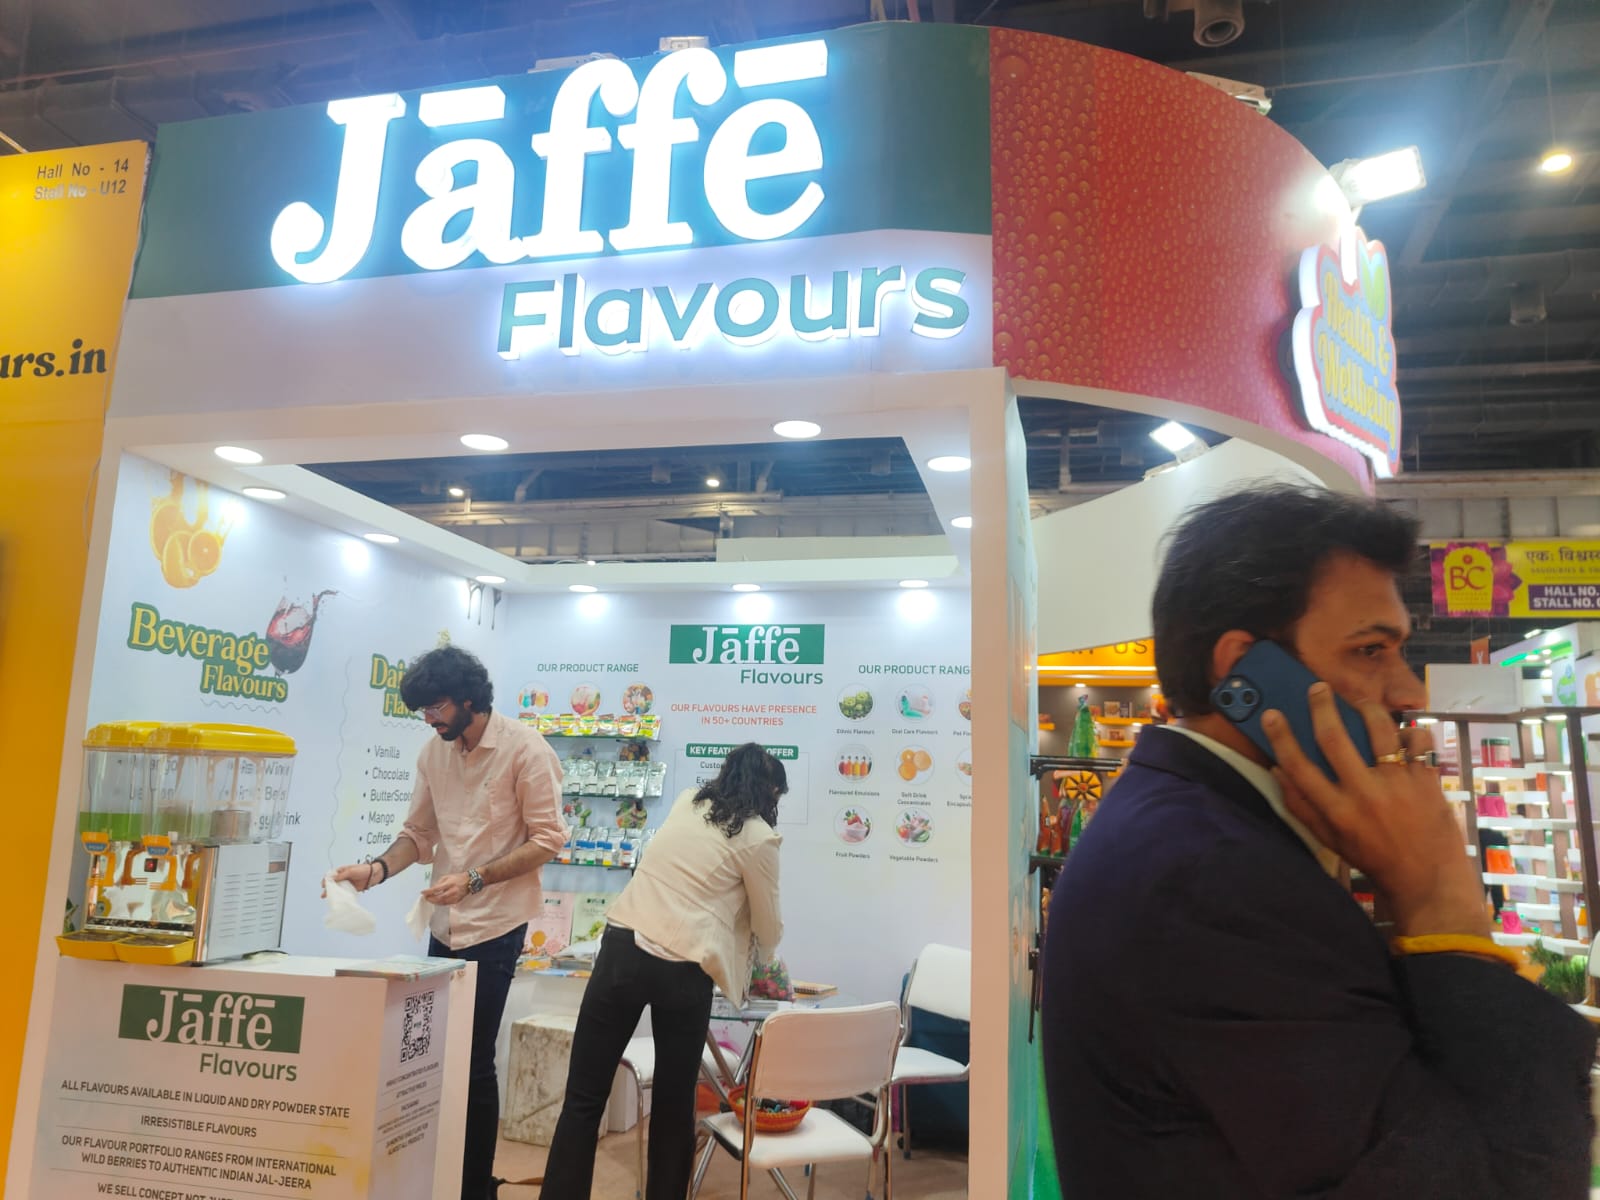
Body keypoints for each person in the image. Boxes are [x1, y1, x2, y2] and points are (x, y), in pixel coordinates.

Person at [1040, 482, 1595, 1198]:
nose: (1410, 692)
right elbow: (1499, 1183)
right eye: (1370, 650)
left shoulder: (1194, 827)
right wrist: (1442, 902)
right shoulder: (1215, 878)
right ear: (1244, 672)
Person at [329, 645, 566, 1200]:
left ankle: (474, 1186)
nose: (429, 719)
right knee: (439, 1054)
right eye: (423, 710)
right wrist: (375, 870)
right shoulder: (433, 754)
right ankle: (442, 1177)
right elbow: (418, 835)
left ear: (468, 699)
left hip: (495, 925)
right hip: (444, 925)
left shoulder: (526, 750)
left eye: (436, 707)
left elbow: (548, 839)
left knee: (474, 1058)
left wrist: (475, 879)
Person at [539, 743, 786, 1200]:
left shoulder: (689, 801)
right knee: (674, 1107)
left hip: (622, 948)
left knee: (583, 1099)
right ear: (770, 791)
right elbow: (768, 923)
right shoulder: (758, 836)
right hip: (684, 970)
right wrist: (765, 960)